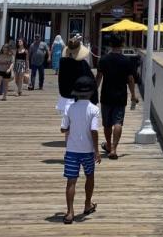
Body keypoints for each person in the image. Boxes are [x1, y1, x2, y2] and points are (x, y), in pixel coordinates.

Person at [60, 75, 101, 224]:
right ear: (91, 92)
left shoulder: (69, 107)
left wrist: (71, 127)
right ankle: (87, 204)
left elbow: (63, 129)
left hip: (72, 151)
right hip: (88, 151)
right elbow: (94, 131)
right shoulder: (94, 109)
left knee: (71, 181)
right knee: (90, 176)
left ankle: (70, 212)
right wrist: (97, 151)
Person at [95, 33, 139, 160]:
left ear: (110, 44)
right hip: (120, 96)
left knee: (107, 124)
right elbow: (130, 80)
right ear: (122, 44)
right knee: (118, 122)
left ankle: (108, 145)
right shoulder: (126, 61)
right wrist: (133, 95)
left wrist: (93, 93)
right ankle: (114, 149)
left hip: (106, 95)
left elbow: (98, 78)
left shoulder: (103, 60)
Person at [57, 34, 93, 115]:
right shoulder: (82, 64)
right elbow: (88, 79)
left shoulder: (63, 62)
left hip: (65, 95)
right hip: (79, 96)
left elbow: (61, 79)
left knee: (66, 123)